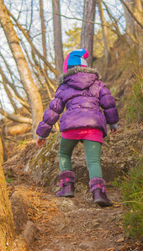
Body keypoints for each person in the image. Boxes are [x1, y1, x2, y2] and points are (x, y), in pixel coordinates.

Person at [36, 49, 119, 207]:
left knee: (64, 153)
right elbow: (108, 102)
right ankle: (99, 193)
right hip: (93, 126)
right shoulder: (97, 83)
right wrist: (113, 122)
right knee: (93, 161)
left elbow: (53, 112)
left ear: (67, 69)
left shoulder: (64, 87)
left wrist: (42, 134)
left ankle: (67, 186)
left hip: (71, 127)